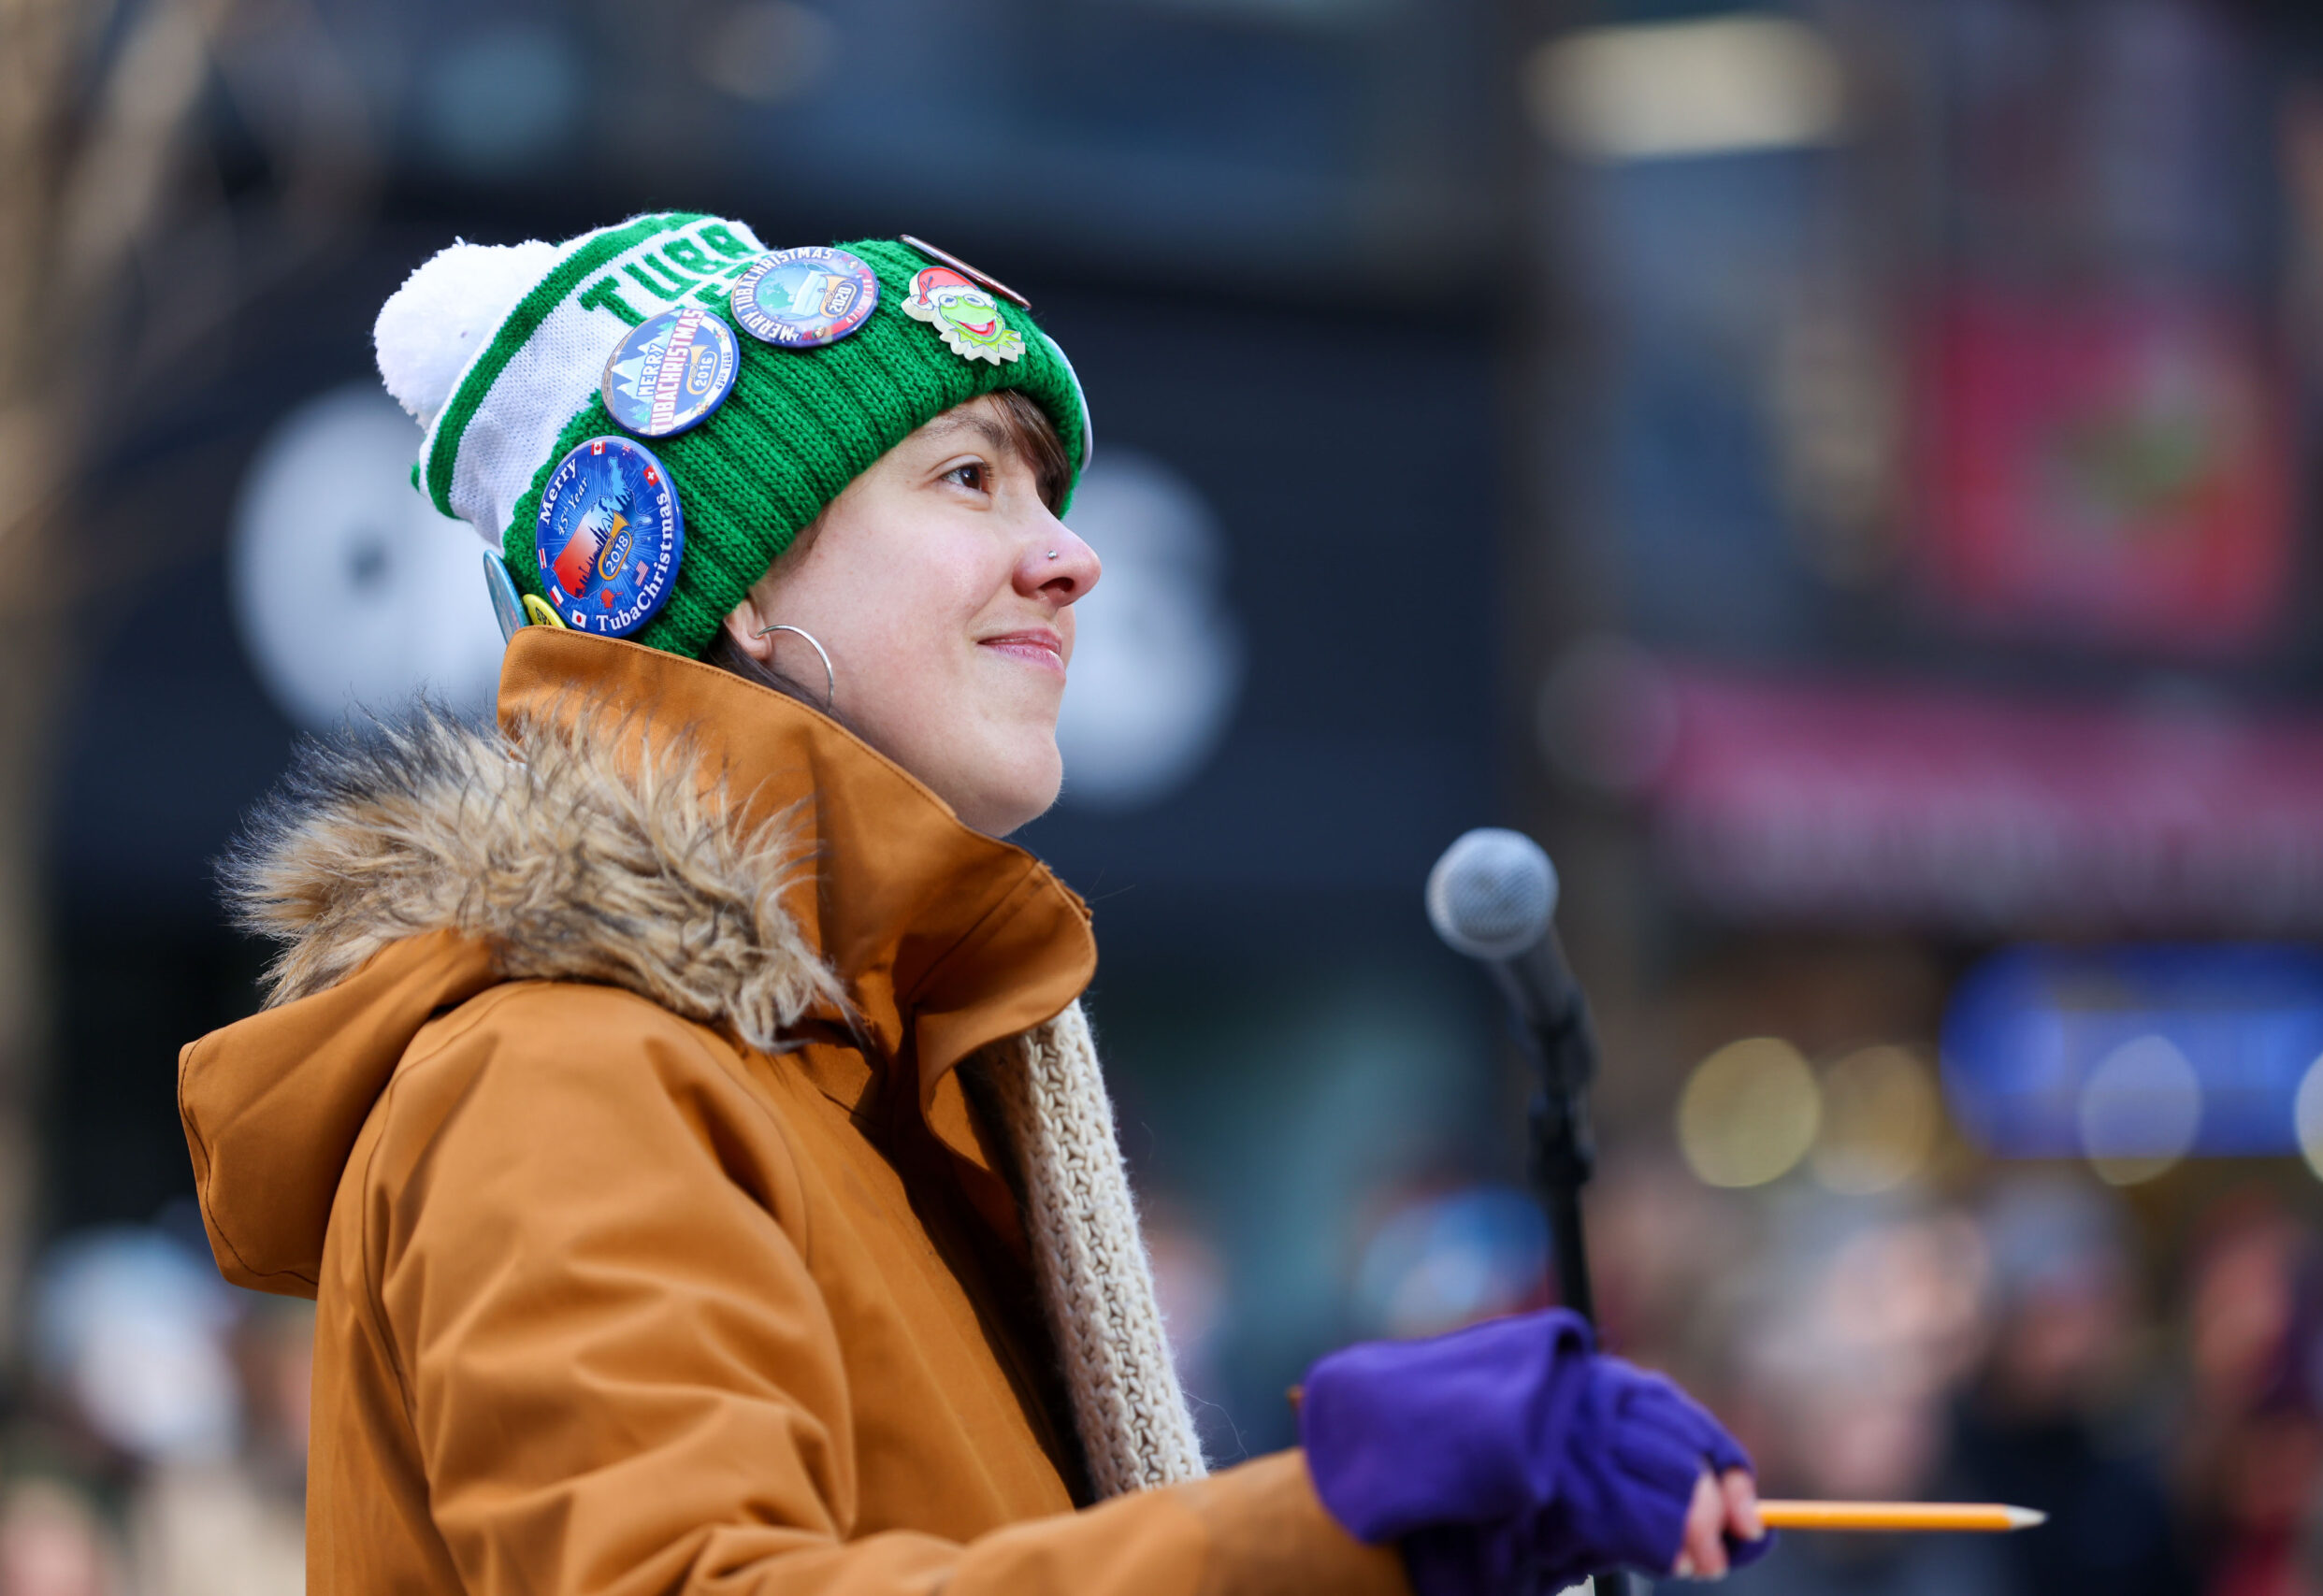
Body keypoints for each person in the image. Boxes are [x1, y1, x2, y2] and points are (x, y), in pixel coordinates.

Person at [176, 217, 1770, 1595]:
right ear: (734, 582)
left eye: (1048, 493)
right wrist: (1336, 1525)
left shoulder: (871, 1079)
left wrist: (1429, 1543)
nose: (1070, 556)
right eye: (970, 478)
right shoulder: (566, 1077)